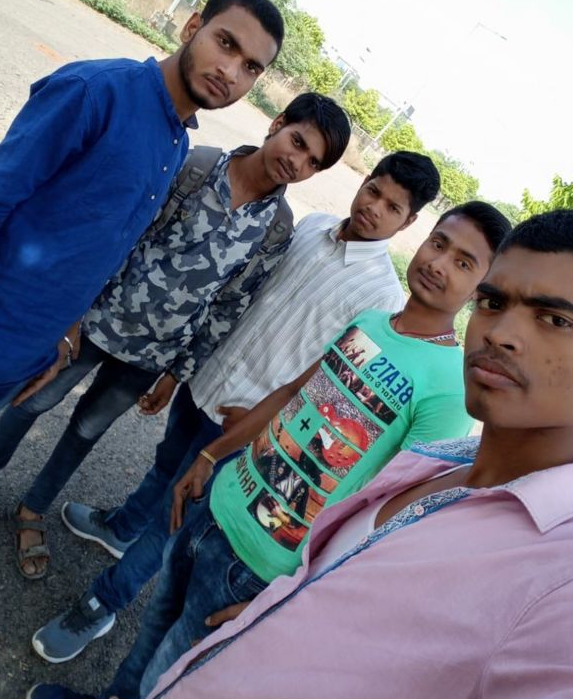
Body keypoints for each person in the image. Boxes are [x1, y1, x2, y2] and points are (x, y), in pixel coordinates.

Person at [29, 209, 573, 699]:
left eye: (555, 319)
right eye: (440, 245)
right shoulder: (381, 341)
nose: (503, 333)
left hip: (258, 567)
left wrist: (288, 599)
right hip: (222, 504)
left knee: (175, 671)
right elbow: (294, 395)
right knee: (147, 646)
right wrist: (211, 456)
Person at [32, 150, 439, 662]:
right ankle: (120, 528)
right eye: (373, 190)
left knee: (177, 514)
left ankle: (104, 602)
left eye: (393, 207)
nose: (374, 208)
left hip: (247, 419)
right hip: (209, 380)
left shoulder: (381, 296)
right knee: (164, 466)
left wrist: (264, 423)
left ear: (409, 222)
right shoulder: (312, 226)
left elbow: (327, 382)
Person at [0, 93, 350, 579]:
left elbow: (227, 306)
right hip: (96, 319)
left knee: (86, 430)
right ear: (278, 122)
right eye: (297, 142)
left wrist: (178, 373)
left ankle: (33, 510)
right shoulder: (198, 166)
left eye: (313, 162)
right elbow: (124, 234)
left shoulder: (277, 229)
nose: (297, 162)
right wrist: (72, 312)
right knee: (32, 401)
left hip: (149, 356)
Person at [0, 0, 284, 425]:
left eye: (251, 66)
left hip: (21, 357)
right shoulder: (96, 92)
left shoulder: (177, 145)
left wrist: (61, 335)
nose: (230, 71)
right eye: (225, 42)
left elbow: (101, 247)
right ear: (192, 27)